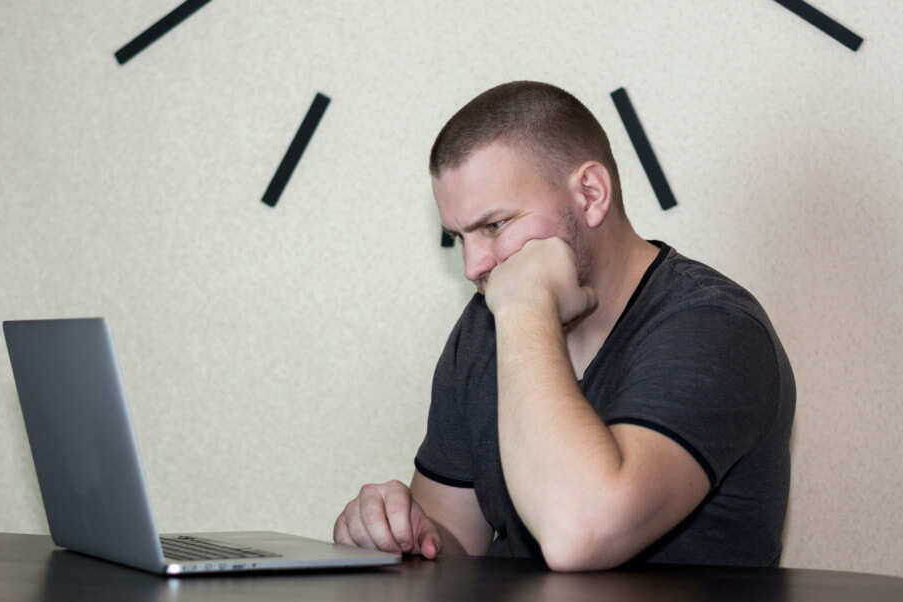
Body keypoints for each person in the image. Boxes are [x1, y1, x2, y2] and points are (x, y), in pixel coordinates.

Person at [333, 81, 795, 571]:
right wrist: (396, 531)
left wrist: (526, 307)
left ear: (591, 194)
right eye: (459, 236)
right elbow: (452, 540)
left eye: (494, 226)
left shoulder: (715, 328)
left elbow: (580, 533)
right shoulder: (484, 326)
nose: (474, 265)